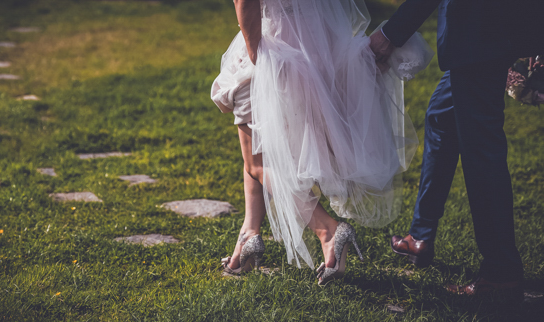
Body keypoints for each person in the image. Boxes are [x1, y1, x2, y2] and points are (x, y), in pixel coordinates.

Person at [212, 0, 429, 285]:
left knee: (258, 163)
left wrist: (256, 56)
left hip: (275, 42)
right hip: (318, 39)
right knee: (261, 145)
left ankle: (328, 230)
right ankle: (248, 236)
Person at [370, 0, 544, 296]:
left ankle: (501, 270)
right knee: (440, 118)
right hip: (488, 33)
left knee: (482, 153)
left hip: (479, 34)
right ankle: (421, 235)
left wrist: (392, 32)